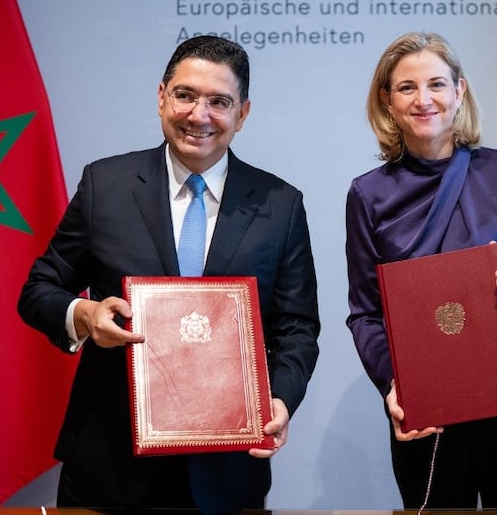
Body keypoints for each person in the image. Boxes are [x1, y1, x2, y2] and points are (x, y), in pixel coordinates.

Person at [19, 35, 320, 514]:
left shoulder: (281, 205)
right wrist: (85, 315)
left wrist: (280, 400)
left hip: (228, 468)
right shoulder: (106, 185)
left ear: (242, 114)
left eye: (219, 101)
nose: (199, 115)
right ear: (162, 97)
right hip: (109, 466)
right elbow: (38, 289)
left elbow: (298, 328)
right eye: (186, 95)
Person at [345, 31, 497, 509]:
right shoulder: (368, 194)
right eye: (406, 87)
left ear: (459, 92)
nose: (423, 99)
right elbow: (366, 314)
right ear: (387, 101)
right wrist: (393, 383)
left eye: (436, 84)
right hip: (427, 390)